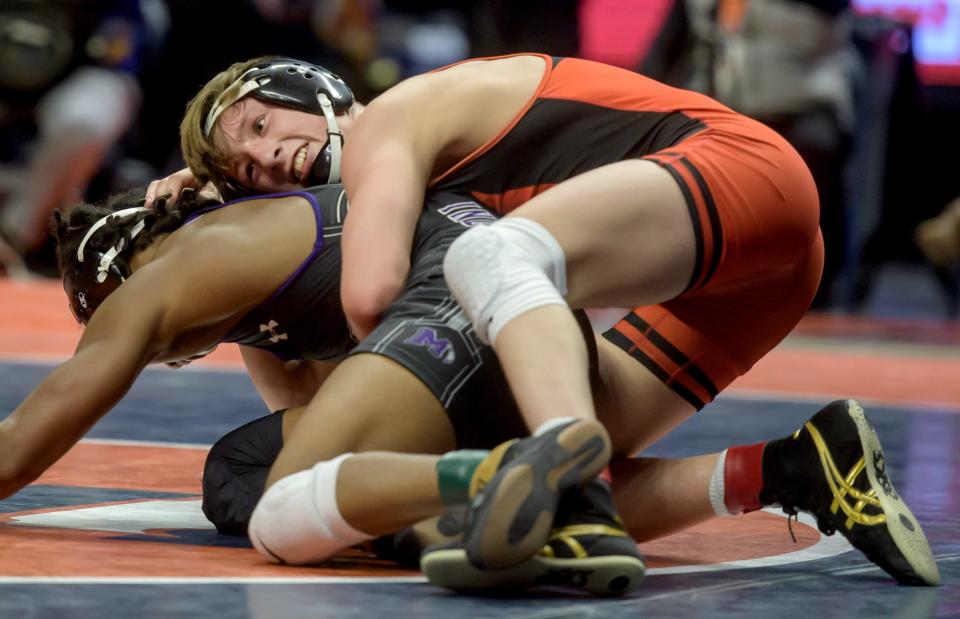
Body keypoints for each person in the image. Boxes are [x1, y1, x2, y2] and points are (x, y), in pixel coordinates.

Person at [151, 56, 938, 588]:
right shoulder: (388, 189)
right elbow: (324, 399)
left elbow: (369, 301)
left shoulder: (388, 124)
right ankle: (792, 467)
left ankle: (582, 499)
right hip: (759, 271)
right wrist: (244, 285)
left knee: (492, 262)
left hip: (740, 168)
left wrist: (255, 251)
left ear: (307, 89)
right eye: (246, 169)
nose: (267, 159)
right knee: (510, 454)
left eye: (260, 126)